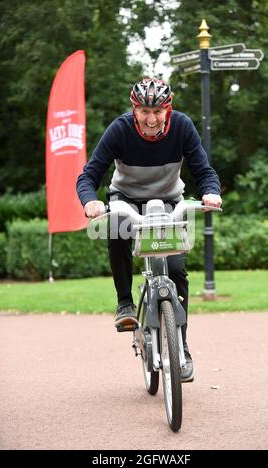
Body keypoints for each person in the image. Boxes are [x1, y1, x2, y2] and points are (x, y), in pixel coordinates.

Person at [77, 77, 222, 382]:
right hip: (126, 198)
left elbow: (203, 170)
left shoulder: (182, 126)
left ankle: (180, 344)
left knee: (176, 269)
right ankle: (125, 303)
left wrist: (211, 191)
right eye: (144, 111)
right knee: (116, 229)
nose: (151, 118)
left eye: (158, 111)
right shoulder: (119, 129)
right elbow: (89, 174)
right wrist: (90, 201)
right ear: (135, 109)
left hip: (168, 201)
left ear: (168, 110)